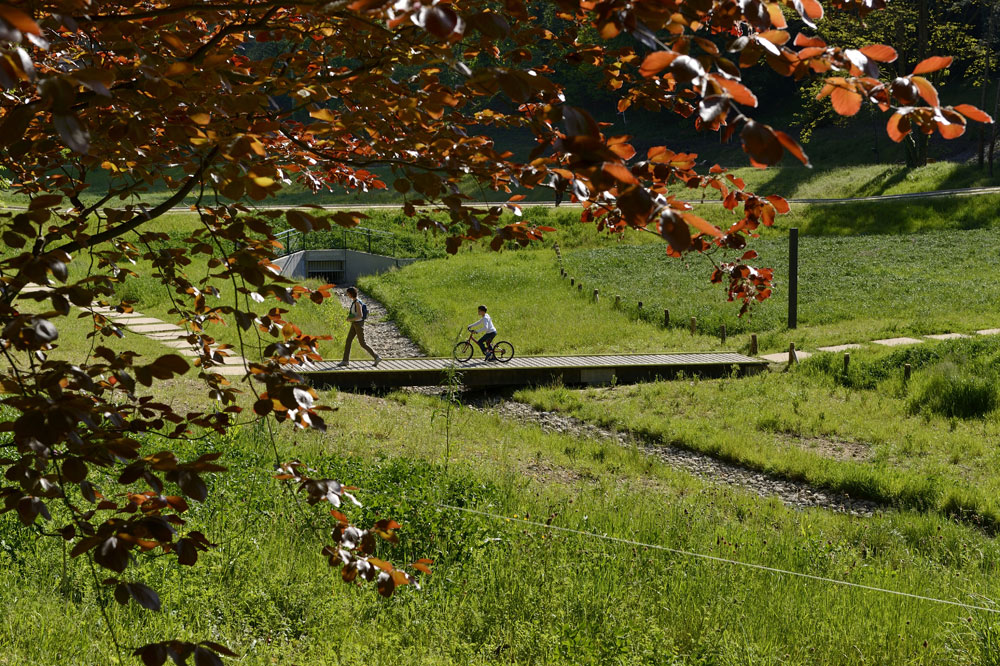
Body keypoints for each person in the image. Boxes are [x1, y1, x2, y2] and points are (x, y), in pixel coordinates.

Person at [338, 287, 381, 367]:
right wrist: (351, 319)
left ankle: (376, 357)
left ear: (351, 294)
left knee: (362, 343)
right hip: (355, 324)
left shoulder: (357, 302)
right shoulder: (355, 302)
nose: (347, 295)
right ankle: (345, 361)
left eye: (348, 293)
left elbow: (360, 316)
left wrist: (350, 319)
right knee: (348, 341)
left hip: (358, 324)